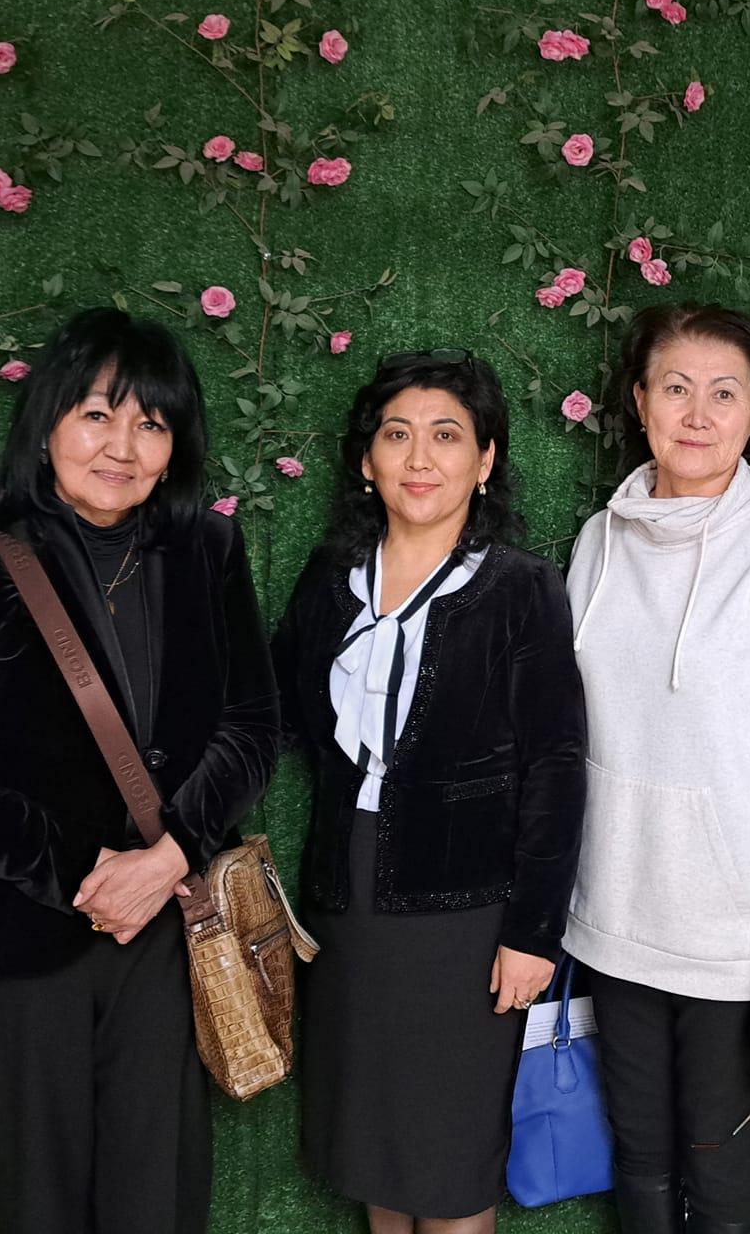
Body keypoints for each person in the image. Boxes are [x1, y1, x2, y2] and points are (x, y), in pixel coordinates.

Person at [0, 308, 279, 1234]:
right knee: (42, 1199)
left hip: (167, 933)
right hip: (13, 938)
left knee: (158, 1196)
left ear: (174, 449)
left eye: (151, 423)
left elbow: (252, 726)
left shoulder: (210, 552)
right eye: (97, 415)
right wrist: (83, 873)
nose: (123, 447)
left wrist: (167, 858)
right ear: (47, 426)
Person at [565, 303, 750, 1234]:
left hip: (734, 943)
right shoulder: (599, 541)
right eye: (677, 388)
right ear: (641, 401)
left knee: (718, 1169)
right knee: (638, 1158)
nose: (698, 414)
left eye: (725, 394)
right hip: (612, 917)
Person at [275, 349, 587, 1234]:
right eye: (397, 434)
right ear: (366, 459)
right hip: (347, 902)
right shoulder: (331, 577)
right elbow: (273, 715)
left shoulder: (521, 588)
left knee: (450, 1169)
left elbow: (557, 766)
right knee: (376, 1153)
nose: (420, 458)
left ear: (485, 461)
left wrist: (532, 934)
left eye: (447, 436)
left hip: (469, 918)